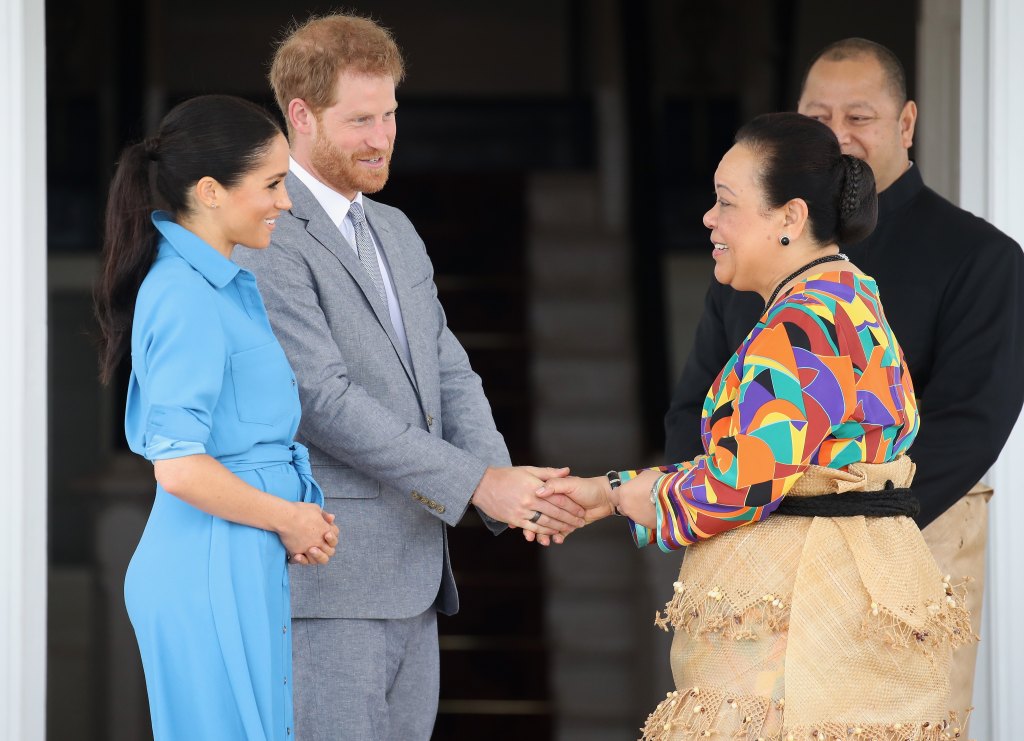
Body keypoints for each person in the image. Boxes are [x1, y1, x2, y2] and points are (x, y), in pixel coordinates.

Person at [540, 112, 974, 739]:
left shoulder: (799, 327)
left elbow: (742, 483)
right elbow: (765, 462)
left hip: (806, 615)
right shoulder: (850, 293)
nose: (709, 220)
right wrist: (614, 491)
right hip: (853, 589)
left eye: (726, 203)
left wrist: (619, 495)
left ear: (790, 219)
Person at [232, 13, 583, 740]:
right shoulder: (265, 233)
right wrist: (478, 483)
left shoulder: (396, 228)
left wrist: (505, 485)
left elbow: (450, 368)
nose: (384, 136)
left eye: (390, 113)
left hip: (416, 576)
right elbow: (320, 401)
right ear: (300, 115)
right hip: (327, 584)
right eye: (360, 119)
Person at [664, 38, 1024, 716]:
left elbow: (972, 423)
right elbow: (696, 402)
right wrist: (712, 510)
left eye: (858, 116)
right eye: (817, 115)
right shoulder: (752, 249)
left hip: (910, 535)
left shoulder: (982, 257)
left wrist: (858, 525)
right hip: (752, 540)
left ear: (907, 124)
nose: (837, 134)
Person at [94, 94, 341, 740]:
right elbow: (177, 466)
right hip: (207, 566)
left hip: (236, 556)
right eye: (272, 184)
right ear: (210, 191)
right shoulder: (183, 294)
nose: (285, 202)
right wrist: (290, 517)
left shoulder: (219, 283)